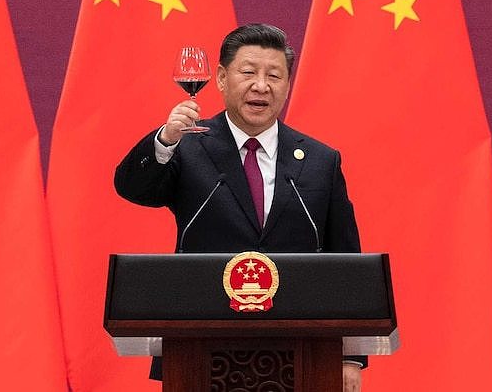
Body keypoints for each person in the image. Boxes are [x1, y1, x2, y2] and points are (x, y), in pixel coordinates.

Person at [114, 23, 364, 391]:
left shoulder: (319, 160)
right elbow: (132, 188)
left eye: (274, 75)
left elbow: (346, 259)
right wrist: (165, 139)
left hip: (302, 351)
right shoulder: (187, 146)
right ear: (220, 77)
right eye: (248, 72)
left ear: (286, 85)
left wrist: (351, 357)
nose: (261, 85)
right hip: (201, 348)